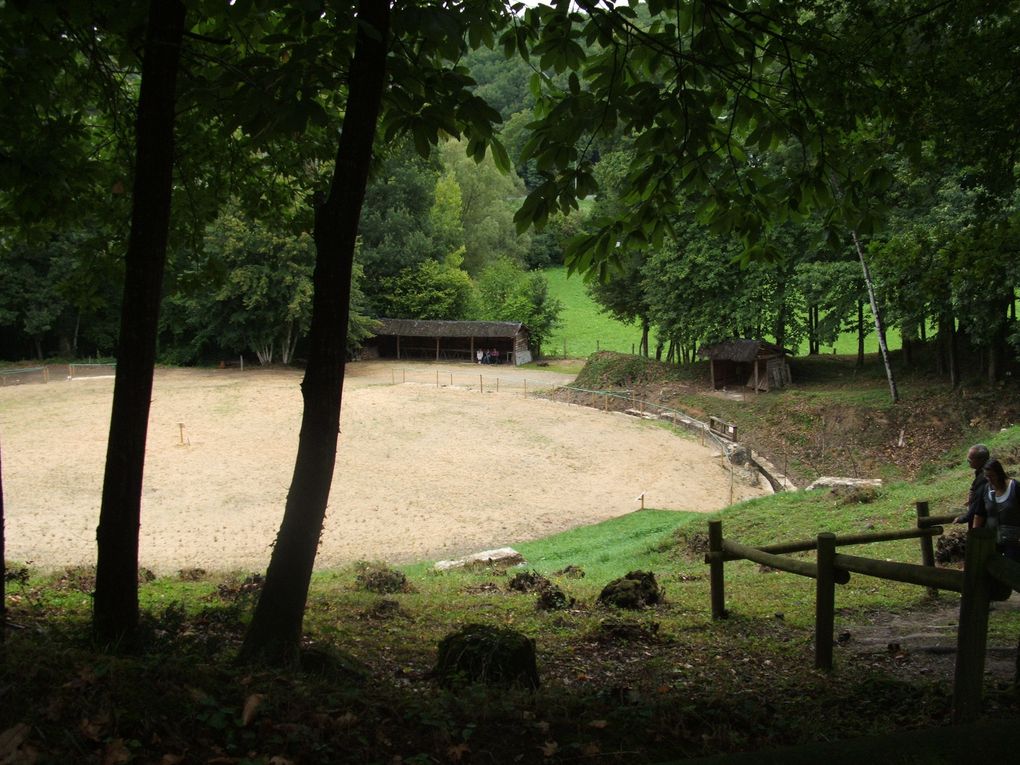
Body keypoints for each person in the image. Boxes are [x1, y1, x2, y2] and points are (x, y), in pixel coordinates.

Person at [975, 458, 1020, 562]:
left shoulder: (1015, 487)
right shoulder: (986, 489)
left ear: (999, 473)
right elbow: (980, 513)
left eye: (992, 476)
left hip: (1014, 540)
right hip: (992, 539)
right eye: (986, 476)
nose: (989, 479)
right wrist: (975, 535)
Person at [956, 444, 991, 527]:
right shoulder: (983, 472)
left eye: (971, 459)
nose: (968, 460)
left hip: (983, 524)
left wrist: (964, 518)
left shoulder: (984, 477)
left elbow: (979, 505)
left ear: (980, 460)